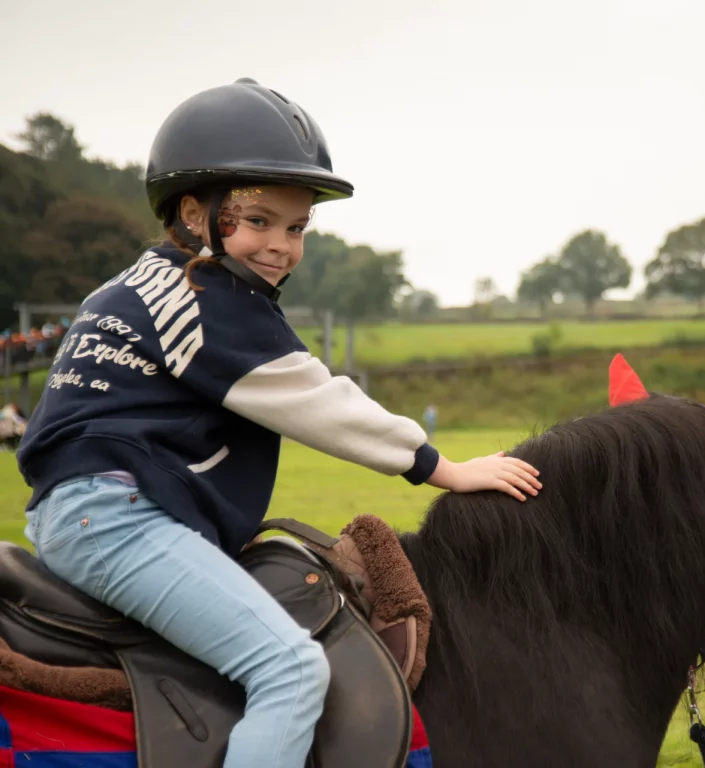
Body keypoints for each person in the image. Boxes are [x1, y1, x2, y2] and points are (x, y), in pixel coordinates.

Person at [16, 78, 542, 768]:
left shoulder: (140, 283)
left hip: (92, 507)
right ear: (192, 212)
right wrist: (439, 466)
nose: (280, 245)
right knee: (291, 670)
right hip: (116, 518)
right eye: (257, 220)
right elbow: (315, 399)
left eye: (296, 228)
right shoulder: (202, 294)